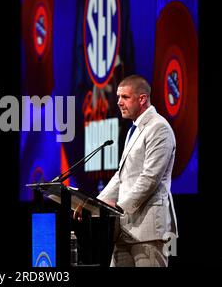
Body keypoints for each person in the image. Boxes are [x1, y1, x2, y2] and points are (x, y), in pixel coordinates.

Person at [74, 74, 178, 267]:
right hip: (124, 229)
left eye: (125, 97)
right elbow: (121, 177)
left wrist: (118, 207)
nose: (119, 102)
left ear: (142, 99)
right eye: (118, 97)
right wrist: (94, 205)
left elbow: (149, 179)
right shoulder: (134, 129)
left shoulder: (159, 128)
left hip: (148, 232)